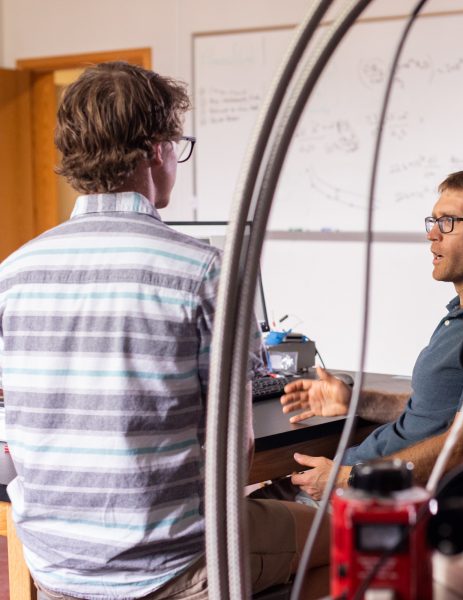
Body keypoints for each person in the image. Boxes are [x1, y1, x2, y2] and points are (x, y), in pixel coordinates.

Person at [0, 62, 327, 600]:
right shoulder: (206, 271)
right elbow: (234, 453)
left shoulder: (14, 272)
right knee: (347, 535)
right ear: (157, 148)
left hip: (53, 565)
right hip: (172, 565)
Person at [280, 170, 463, 499]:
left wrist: (347, 477)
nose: (432, 234)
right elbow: (434, 412)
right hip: (363, 482)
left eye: (448, 221)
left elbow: (462, 448)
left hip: (382, 500)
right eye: (432, 221)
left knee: (231, 521)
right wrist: (354, 401)